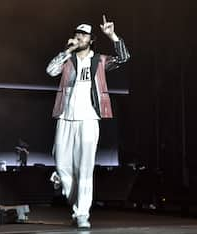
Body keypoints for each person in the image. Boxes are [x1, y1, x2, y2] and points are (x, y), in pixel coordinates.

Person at [46, 15, 130, 228]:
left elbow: (123, 58)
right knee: (62, 166)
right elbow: (50, 70)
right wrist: (67, 51)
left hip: (89, 118)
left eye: (83, 35)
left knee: (85, 168)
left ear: (91, 39)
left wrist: (112, 35)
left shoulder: (99, 61)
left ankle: (82, 213)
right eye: (77, 34)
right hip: (65, 116)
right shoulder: (68, 60)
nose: (79, 37)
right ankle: (77, 205)